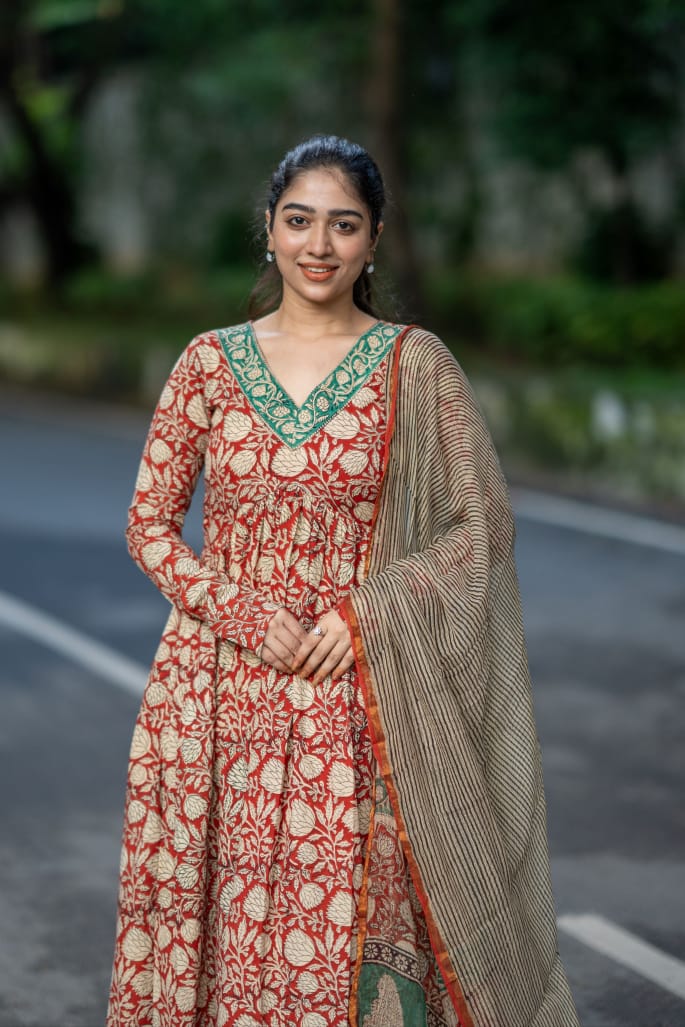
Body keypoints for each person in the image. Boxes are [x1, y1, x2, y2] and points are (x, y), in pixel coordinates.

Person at [106, 134, 579, 1027]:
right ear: (269, 229)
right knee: (218, 930)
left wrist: (366, 612)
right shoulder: (207, 362)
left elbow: (480, 524)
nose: (317, 245)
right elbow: (149, 525)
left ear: (374, 240)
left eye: (343, 224)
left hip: (358, 692)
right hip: (211, 699)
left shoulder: (415, 364)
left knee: (347, 935)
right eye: (298, 221)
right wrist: (244, 613)